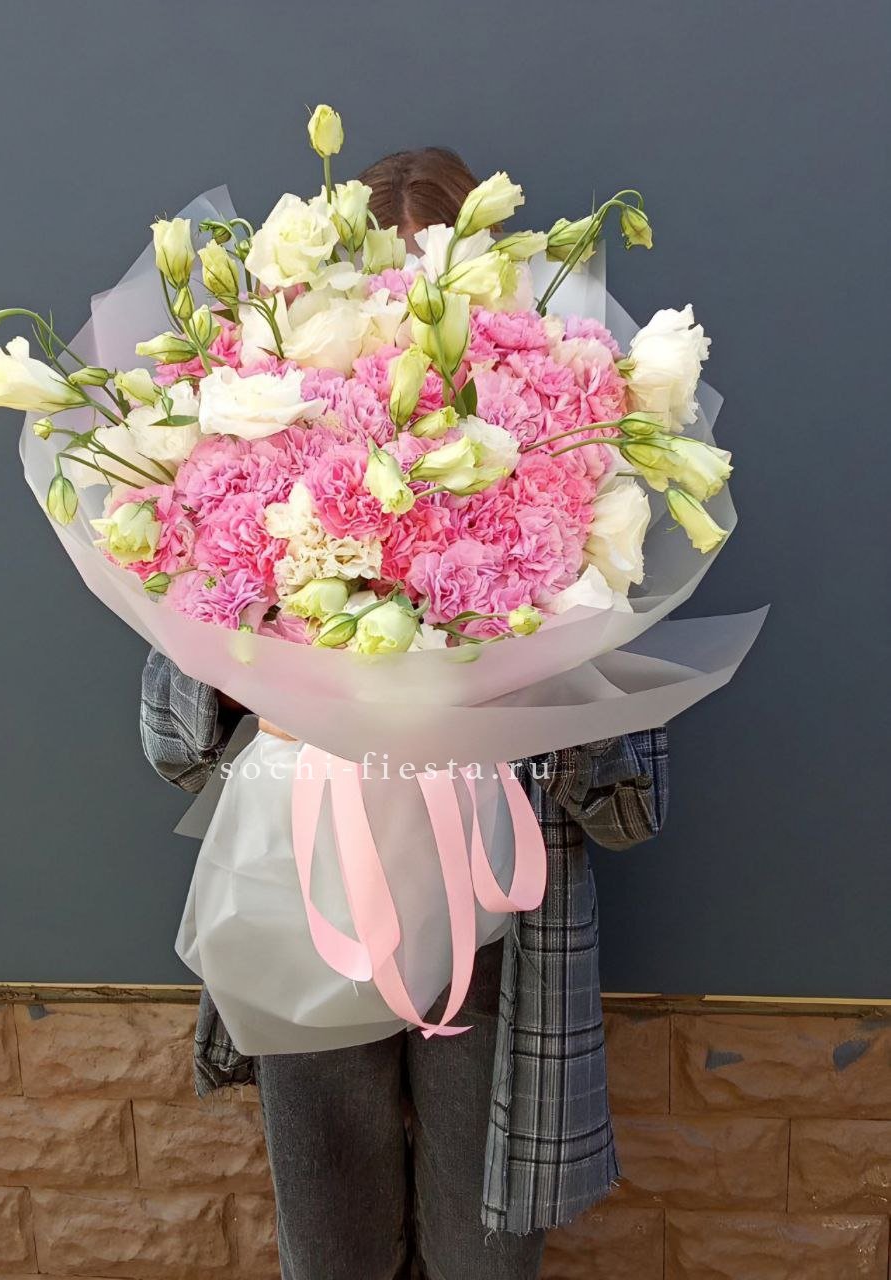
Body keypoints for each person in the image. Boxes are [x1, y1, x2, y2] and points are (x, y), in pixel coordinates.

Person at [140, 147, 669, 1280]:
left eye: (435, 287)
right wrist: (269, 663)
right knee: (331, 1249)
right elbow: (172, 740)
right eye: (379, 289)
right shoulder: (249, 468)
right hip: (309, 887)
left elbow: (630, 804)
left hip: (504, 913)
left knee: (484, 1257)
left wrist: (534, 678)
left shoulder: (569, 477)